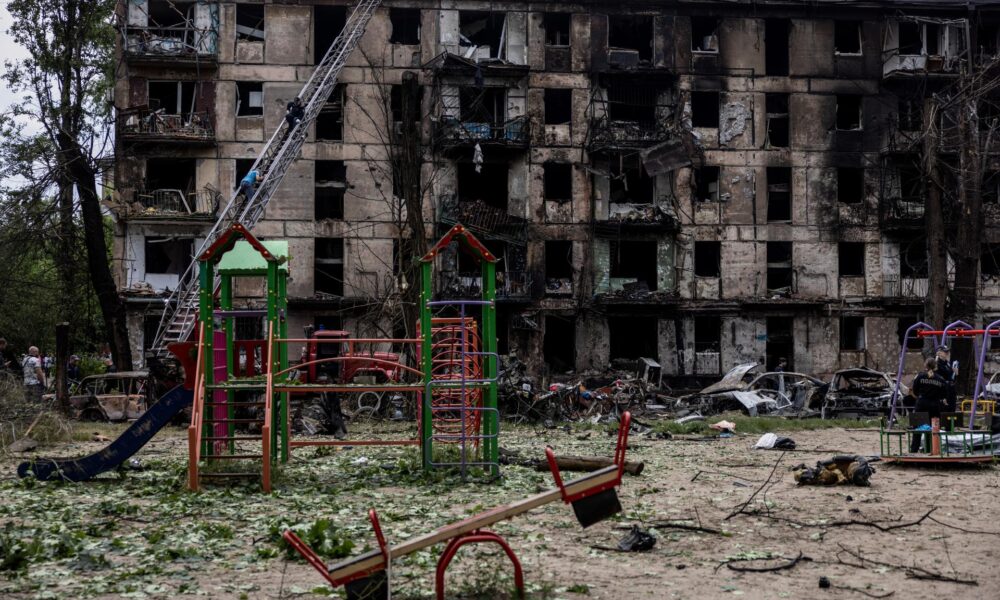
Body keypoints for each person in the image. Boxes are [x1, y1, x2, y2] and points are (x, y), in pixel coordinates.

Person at [909, 357, 950, 453]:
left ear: (925, 365)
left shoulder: (920, 376)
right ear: (935, 366)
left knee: (917, 430)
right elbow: (944, 394)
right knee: (934, 430)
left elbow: (915, 390)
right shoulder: (940, 379)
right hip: (934, 406)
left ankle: (914, 451)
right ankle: (933, 450)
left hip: (921, 405)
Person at [934, 345, 957, 412]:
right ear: (939, 353)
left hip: (950, 389)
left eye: (948, 351)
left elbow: (951, 377)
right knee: (944, 410)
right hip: (943, 390)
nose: (948, 353)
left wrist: (955, 372)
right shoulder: (936, 363)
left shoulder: (947, 363)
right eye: (945, 352)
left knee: (951, 410)